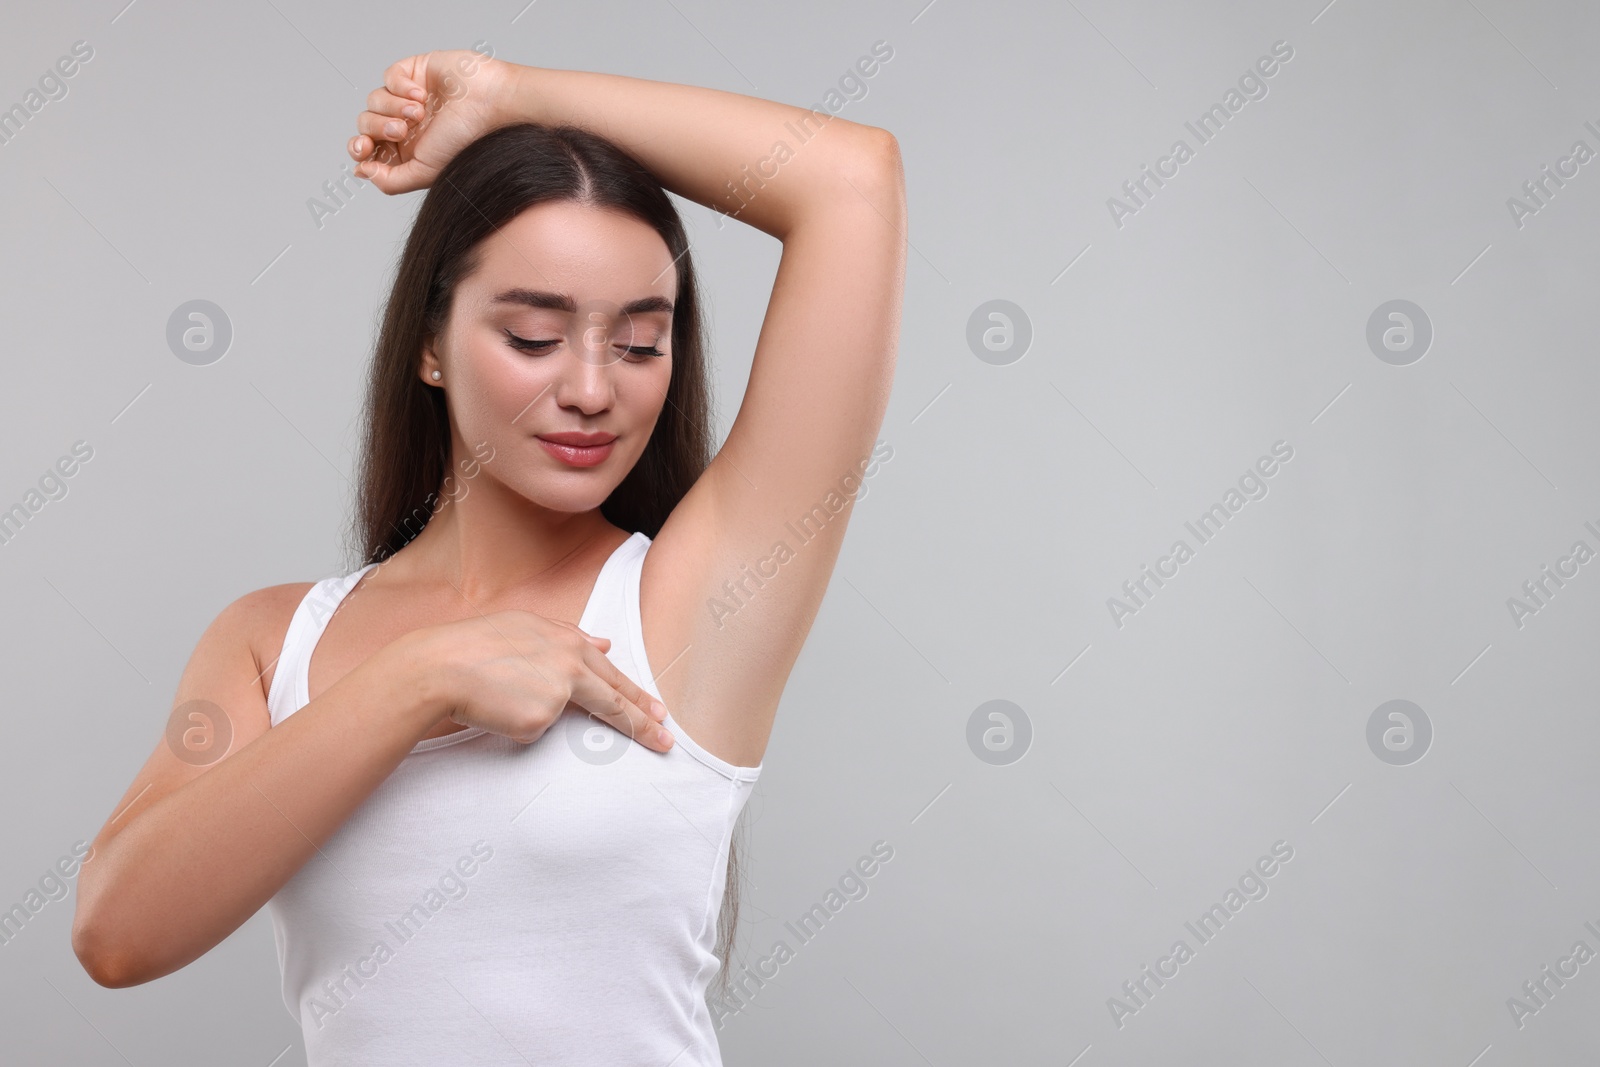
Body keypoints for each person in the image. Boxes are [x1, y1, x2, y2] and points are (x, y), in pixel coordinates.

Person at [70, 49, 904, 1065]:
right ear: (430, 344)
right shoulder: (270, 641)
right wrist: (420, 678)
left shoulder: (693, 601)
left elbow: (851, 183)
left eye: (640, 343)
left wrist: (515, 100)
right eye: (533, 335)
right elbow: (118, 932)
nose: (594, 389)